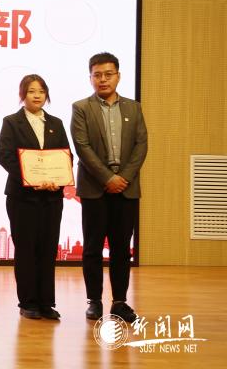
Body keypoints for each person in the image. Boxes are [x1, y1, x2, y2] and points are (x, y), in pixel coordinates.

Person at [71, 52, 147, 323]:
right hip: (95, 187)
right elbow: (82, 147)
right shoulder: (81, 107)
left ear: (118, 76)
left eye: (108, 74)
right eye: (97, 75)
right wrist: (107, 178)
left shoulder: (134, 108)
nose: (103, 79)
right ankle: (94, 301)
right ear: (90, 77)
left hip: (126, 187)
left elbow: (141, 145)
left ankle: (120, 302)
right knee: (92, 247)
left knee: (121, 248)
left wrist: (123, 177)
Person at [0, 74, 70, 321]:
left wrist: (56, 179)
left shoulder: (56, 123)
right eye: (31, 91)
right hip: (22, 197)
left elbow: (66, 156)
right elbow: (5, 156)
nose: (37, 95)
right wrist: (31, 179)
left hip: (51, 196)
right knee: (26, 249)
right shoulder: (11, 122)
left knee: (48, 249)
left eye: (41, 91)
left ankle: (46, 302)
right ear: (22, 95)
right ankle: (28, 302)